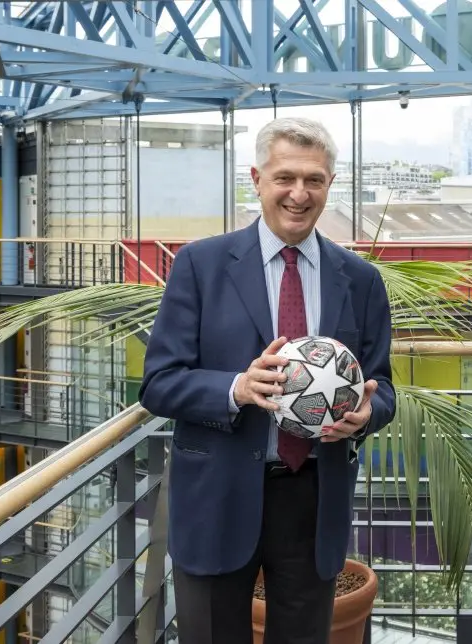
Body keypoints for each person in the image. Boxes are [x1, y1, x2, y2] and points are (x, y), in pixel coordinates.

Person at [139, 116, 396, 644]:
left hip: (313, 495)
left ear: (329, 184)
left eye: (314, 180)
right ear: (256, 179)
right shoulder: (200, 265)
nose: (299, 194)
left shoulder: (361, 279)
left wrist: (369, 414)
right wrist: (236, 389)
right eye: (284, 178)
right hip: (218, 495)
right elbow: (159, 383)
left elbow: (383, 386)